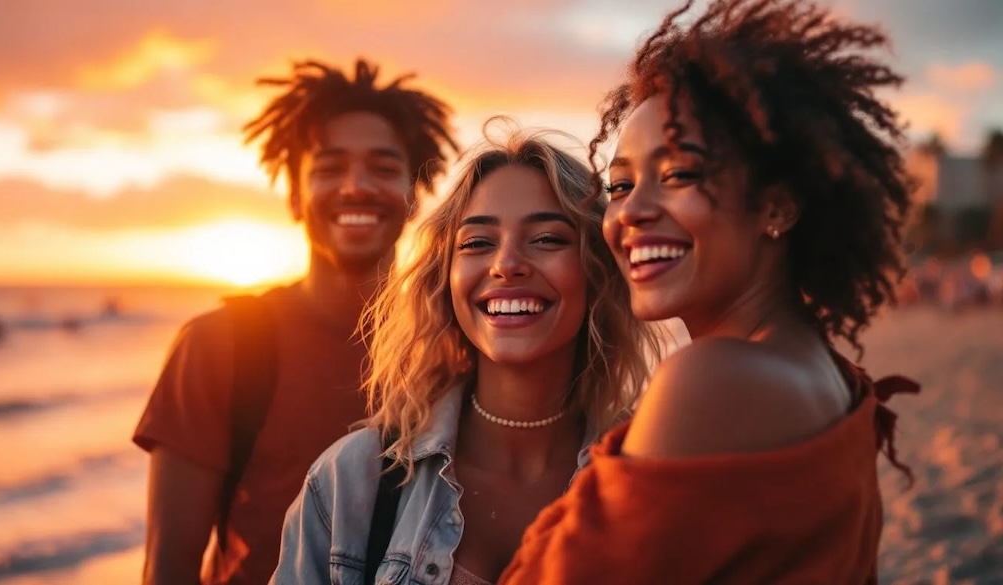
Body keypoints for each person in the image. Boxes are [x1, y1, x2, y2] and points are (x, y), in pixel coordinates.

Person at [499, 0, 920, 583]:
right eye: (620, 185)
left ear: (778, 204)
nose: (633, 212)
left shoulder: (714, 377)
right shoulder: (824, 371)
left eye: (678, 175)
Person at [270, 126, 660, 584]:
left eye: (547, 239)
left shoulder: (647, 474)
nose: (506, 263)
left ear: (597, 270)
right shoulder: (353, 481)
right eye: (477, 243)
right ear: (445, 279)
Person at [133, 58, 458, 585]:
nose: (355, 186)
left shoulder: (456, 345)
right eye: (329, 168)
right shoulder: (220, 345)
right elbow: (168, 569)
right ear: (293, 196)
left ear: (413, 194)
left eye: (382, 167)